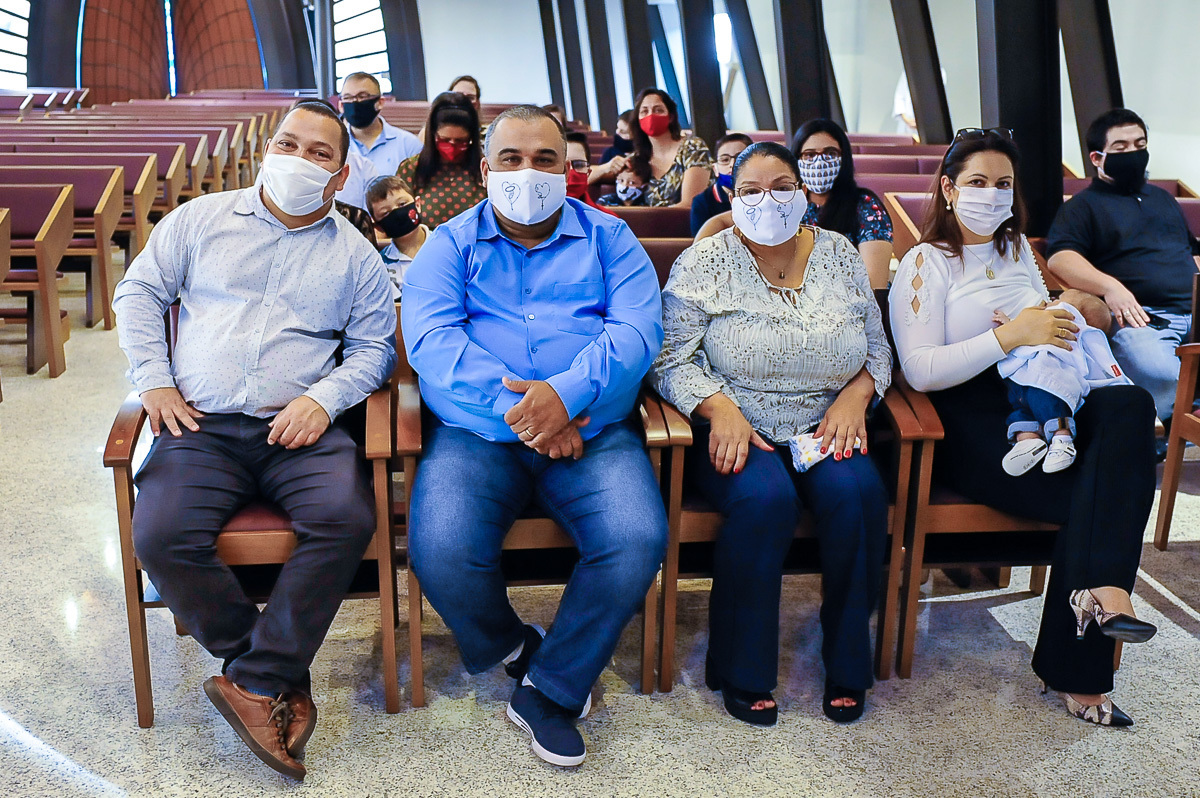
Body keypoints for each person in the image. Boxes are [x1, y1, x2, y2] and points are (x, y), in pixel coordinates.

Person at [111, 101, 398, 780]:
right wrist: (153, 380)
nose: (299, 159)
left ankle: (255, 677)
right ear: (269, 149)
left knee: (346, 517)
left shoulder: (354, 256)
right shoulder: (201, 220)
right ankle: (263, 672)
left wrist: (321, 400)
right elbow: (139, 294)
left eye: (318, 152)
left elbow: (373, 351)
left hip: (297, 426)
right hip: (199, 425)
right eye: (288, 143)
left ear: (340, 173)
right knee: (160, 535)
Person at [401, 105, 667, 767]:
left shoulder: (611, 239)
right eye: (513, 160)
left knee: (635, 538)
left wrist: (566, 398)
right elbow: (434, 345)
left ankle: (550, 688)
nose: (529, 173)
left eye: (546, 160)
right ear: (487, 170)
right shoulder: (450, 244)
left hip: (592, 429)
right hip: (477, 433)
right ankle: (513, 648)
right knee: (441, 548)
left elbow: (635, 335)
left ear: (568, 169)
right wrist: (536, 418)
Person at [888, 128, 1158, 728]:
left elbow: (1046, 328)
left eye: (1003, 184)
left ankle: (1100, 594)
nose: (991, 195)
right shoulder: (922, 263)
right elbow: (919, 371)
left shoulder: (1016, 252)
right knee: (1104, 492)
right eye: (977, 182)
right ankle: (1090, 638)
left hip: (1037, 399)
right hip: (969, 421)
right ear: (949, 189)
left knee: (1131, 407)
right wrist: (1009, 336)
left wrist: (1066, 316)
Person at [651, 142, 892, 726]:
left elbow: (878, 348)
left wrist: (857, 397)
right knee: (765, 501)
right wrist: (719, 409)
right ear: (731, 197)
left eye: (782, 186)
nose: (768, 200)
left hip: (826, 419)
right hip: (738, 422)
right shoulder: (704, 260)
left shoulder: (838, 253)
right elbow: (667, 359)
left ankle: (848, 664)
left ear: (804, 192)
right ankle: (741, 667)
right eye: (752, 190)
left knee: (856, 495)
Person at [1046, 108, 1200, 432]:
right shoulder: (1081, 207)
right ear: (1097, 157)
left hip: (1194, 312)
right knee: (1160, 372)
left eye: (1139, 144)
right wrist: (1110, 286)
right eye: (1121, 148)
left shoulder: (1163, 199)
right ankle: (1178, 417)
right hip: (1143, 320)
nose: (1133, 152)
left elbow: (1192, 252)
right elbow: (1060, 258)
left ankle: (1184, 416)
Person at [695, 120, 895, 289]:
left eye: (830, 153)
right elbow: (721, 221)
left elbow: (873, 283)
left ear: (844, 159)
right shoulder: (786, 200)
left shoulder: (865, 205)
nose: (819, 162)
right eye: (809, 155)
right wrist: (697, 258)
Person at [994, 290, 1131, 475]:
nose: (1051, 300)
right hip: (1023, 384)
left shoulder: (1068, 328)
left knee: (1052, 409)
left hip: (1049, 382)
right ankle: (1027, 442)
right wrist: (1010, 325)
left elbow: (1030, 331)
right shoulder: (1047, 326)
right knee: (1023, 412)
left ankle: (1062, 442)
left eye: (1059, 300)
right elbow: (1024, 334)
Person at [397, 92, 487, 227]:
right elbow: (401, 222)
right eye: (445, 140)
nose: (452, 146)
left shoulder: (484, 168)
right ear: (433, 135)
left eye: (460, 141)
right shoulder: (411, 169)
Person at [630, 87, 712, 207]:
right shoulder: (638, 158)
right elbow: (592, 174)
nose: (651, 116)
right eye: (644, 111)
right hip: (647, 223)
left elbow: (690, 205)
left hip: (686, 223)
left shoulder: (692, 147)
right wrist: (607, 167)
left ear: (671, 117)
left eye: (658, 110)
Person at [338, 72, 423, 177]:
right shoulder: (334, 145)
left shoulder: (408, 145)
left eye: (362, 96)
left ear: (380, 102)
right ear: (341, 105)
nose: (355, 102)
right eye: (348, 98)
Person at [366, 175, 430, 300]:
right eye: (386, 213)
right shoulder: (380, 264)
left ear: (417, 204)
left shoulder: (446, 245)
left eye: (402, 204)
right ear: (378, 225)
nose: (397, 213)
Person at [689, 133, 751, 235]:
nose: (732, 165)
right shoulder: (702, 202)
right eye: (725, 160)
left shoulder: (764, 195)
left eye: (740, 157)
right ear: (715, 169)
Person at [565, 131, 615, 215]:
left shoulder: (609, 221)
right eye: (563, 165)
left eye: (579, 165)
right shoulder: (535, 220)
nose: (571, 172)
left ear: (588, 171)